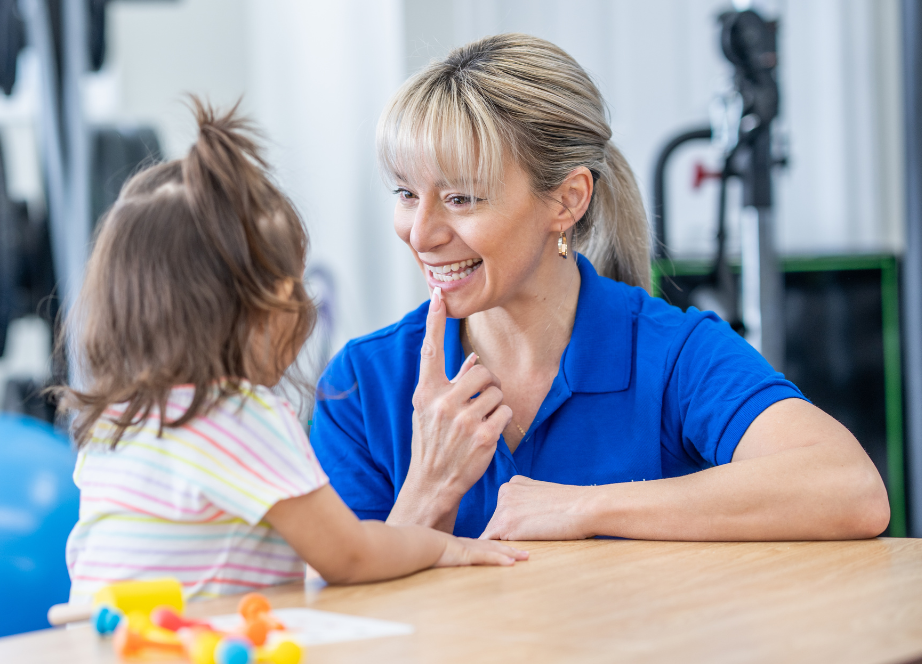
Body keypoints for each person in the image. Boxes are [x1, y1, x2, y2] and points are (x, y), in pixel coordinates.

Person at [309, 34, 890, 542]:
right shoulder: (363, 383)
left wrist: (584, 507)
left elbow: (849, 487)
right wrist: (428, 491)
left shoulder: (670, 354)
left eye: (462, 198)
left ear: (567, 200)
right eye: (406, 194)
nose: (422, 232)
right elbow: (338, 621)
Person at [58, 100, 526, 604]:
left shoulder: (114, 418)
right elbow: (348, 556)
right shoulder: (240, 417)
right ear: (277, 303)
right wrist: (441, 549)